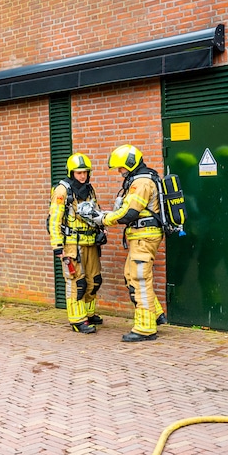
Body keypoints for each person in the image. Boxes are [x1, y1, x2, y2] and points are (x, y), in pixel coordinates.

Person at [99, 145, 166, 342]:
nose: (120, 172)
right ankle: (155, 314)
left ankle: (145, 328)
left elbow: (130, 213)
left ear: (130, 163)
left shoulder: (142, 182)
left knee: (139, 279)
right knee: (131, 275)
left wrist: (104, 219)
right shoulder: (141, 179)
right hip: (140, 236)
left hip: (144, 237)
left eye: (121, 168)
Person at [49, 153, 105, 334]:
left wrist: (102, 229)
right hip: (72, 245)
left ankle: (89, 313)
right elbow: (54, 220)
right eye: (78, 173)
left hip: (91, 242)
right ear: (71, 172)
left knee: (94, 280)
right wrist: (57, 246)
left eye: (85, 172)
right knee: (77, 283)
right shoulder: (62, 191)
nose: (82, 176)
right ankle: (77, 320)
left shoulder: (89, 189)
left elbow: (96, 211)